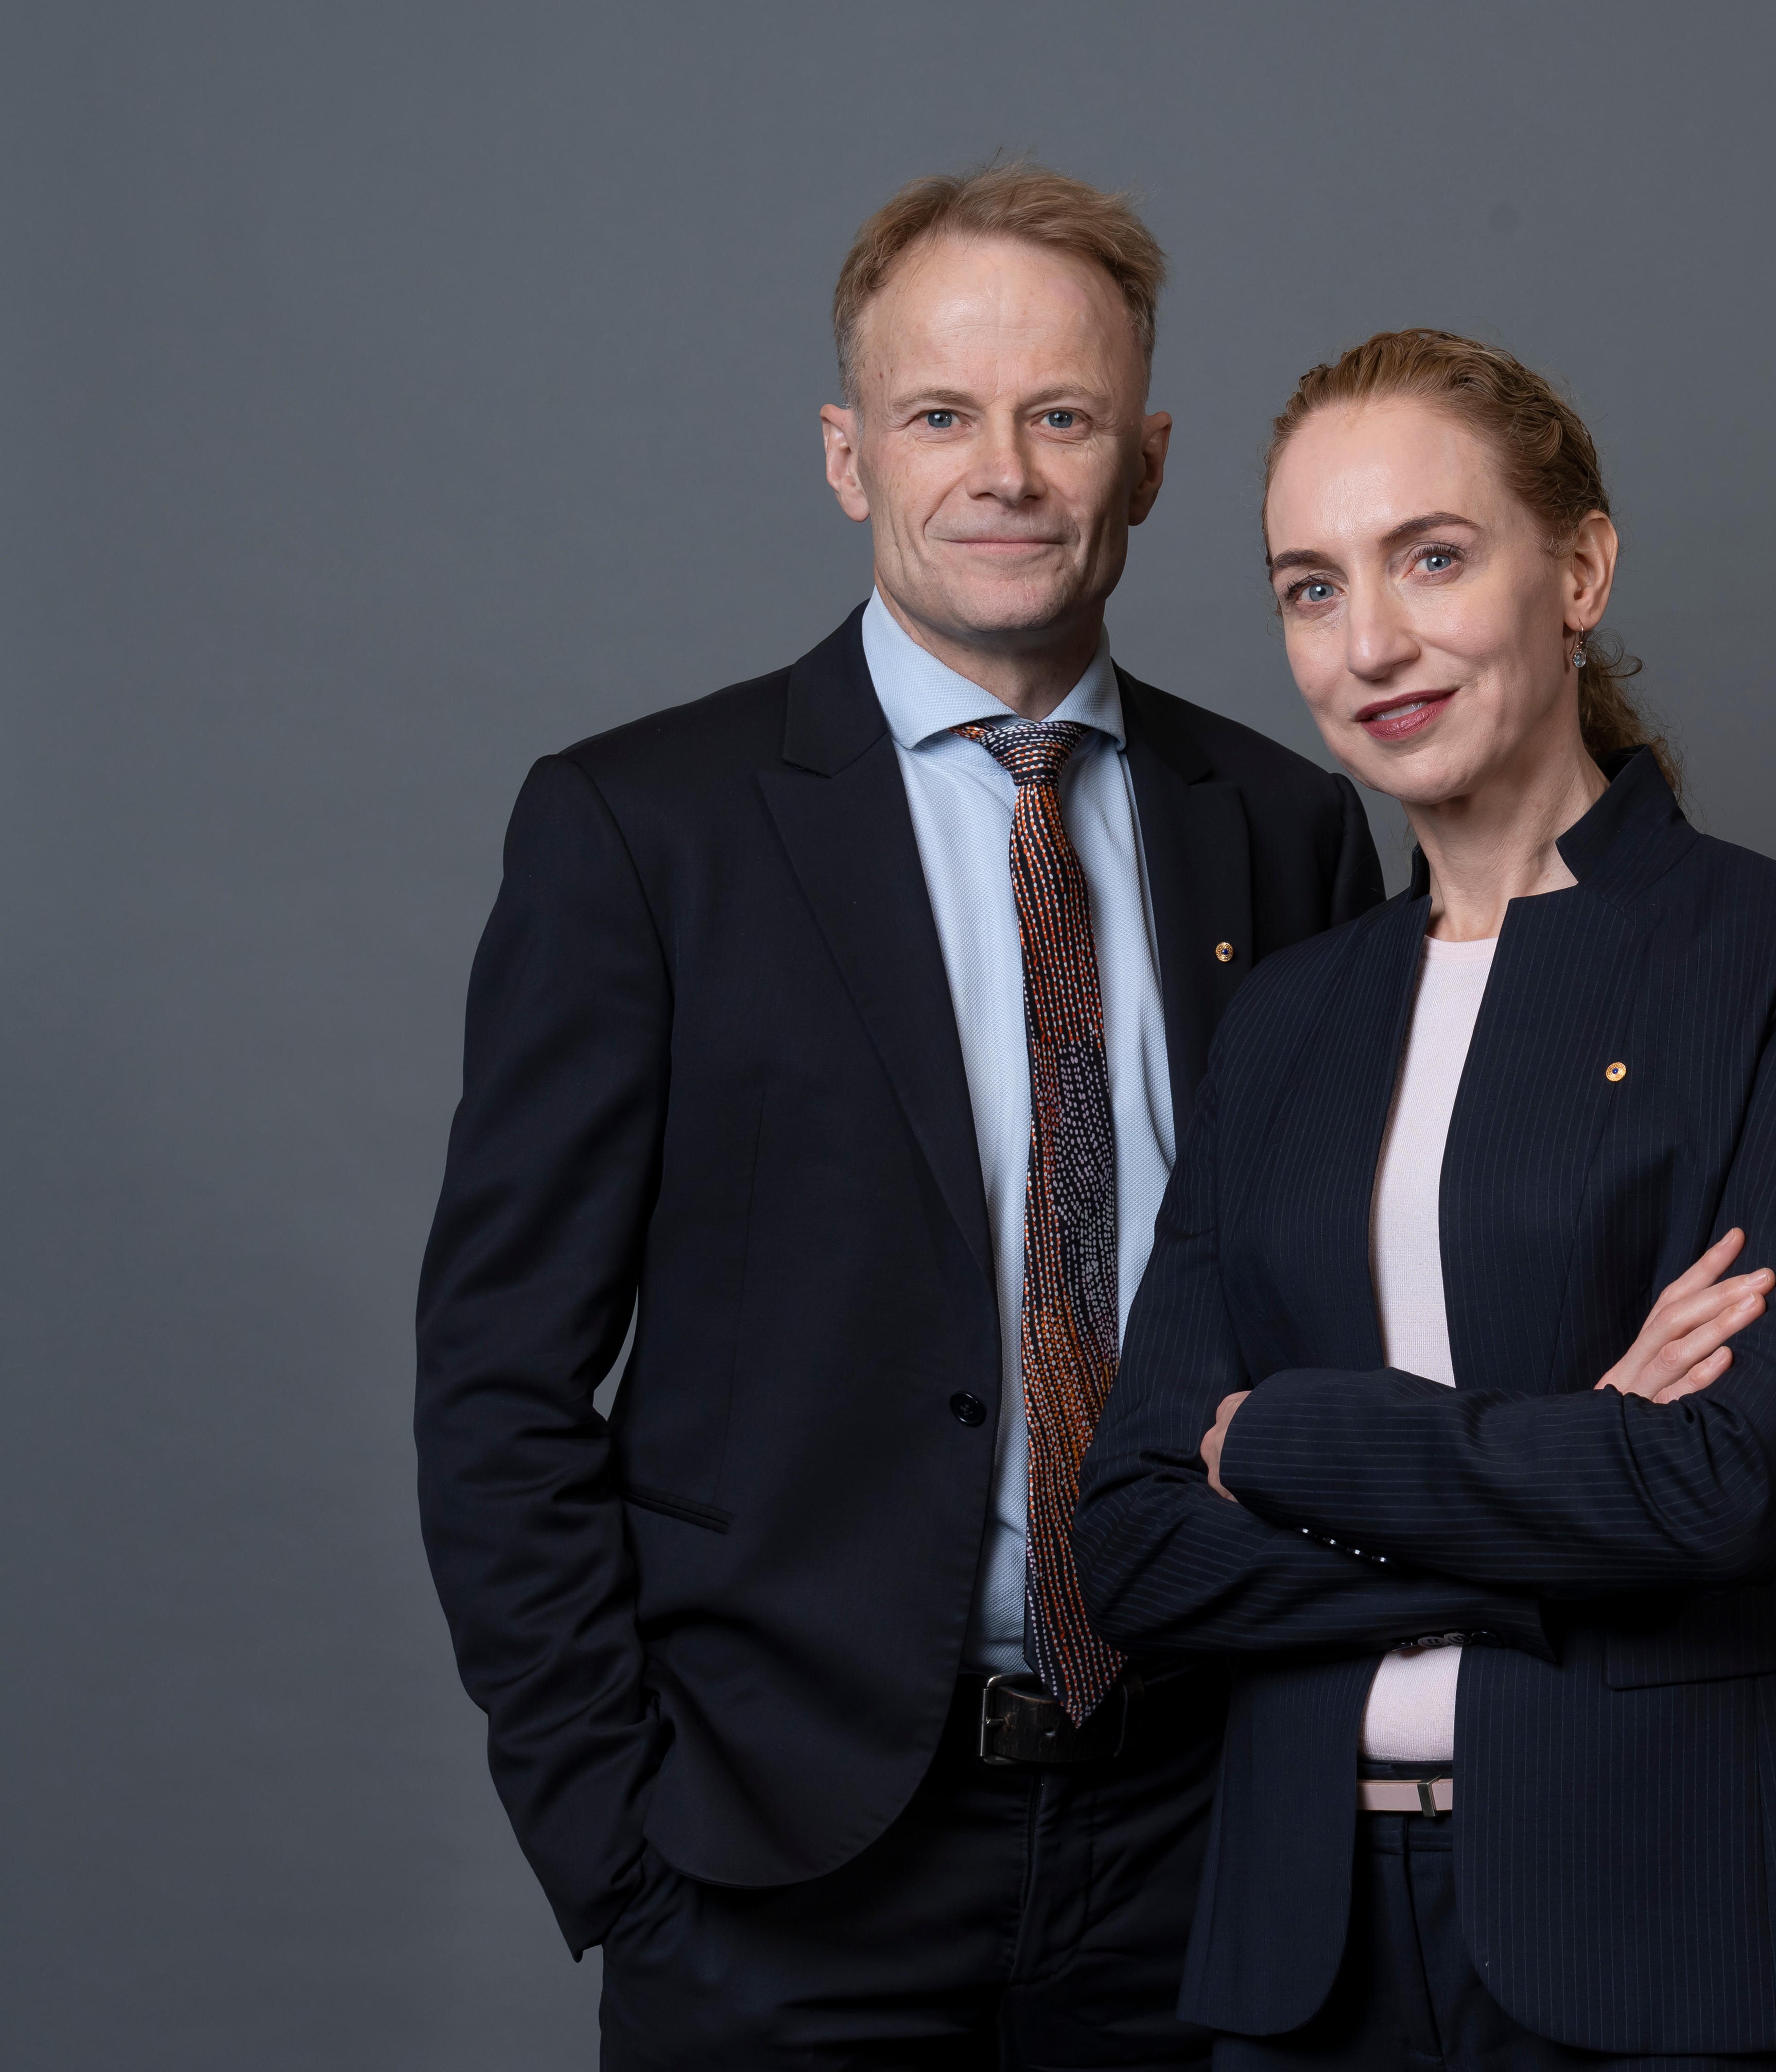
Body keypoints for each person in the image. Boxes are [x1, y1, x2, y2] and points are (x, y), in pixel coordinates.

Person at [414, 163, 1383, 2070]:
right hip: (783, 1863)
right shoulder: (644, 831)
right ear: (849, 456)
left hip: (1203, 1832)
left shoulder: (1281, 827)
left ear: (1152, 457)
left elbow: (1342, 1314)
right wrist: (619, 1840)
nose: (1004, 469)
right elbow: (498, 1380)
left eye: (1063, 415)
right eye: (943, 414)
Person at [1075, 331, 1776, 2070]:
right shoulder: (1285, 1020)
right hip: (1303, 1942)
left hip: (1675, 1911)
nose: (1372, 644)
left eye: (1434, 557)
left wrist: (1290, 1438)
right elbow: (1136, 1538)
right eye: (1310, 590)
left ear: (1580, 569)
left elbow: (1716, 1488)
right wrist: (1555, 1501)